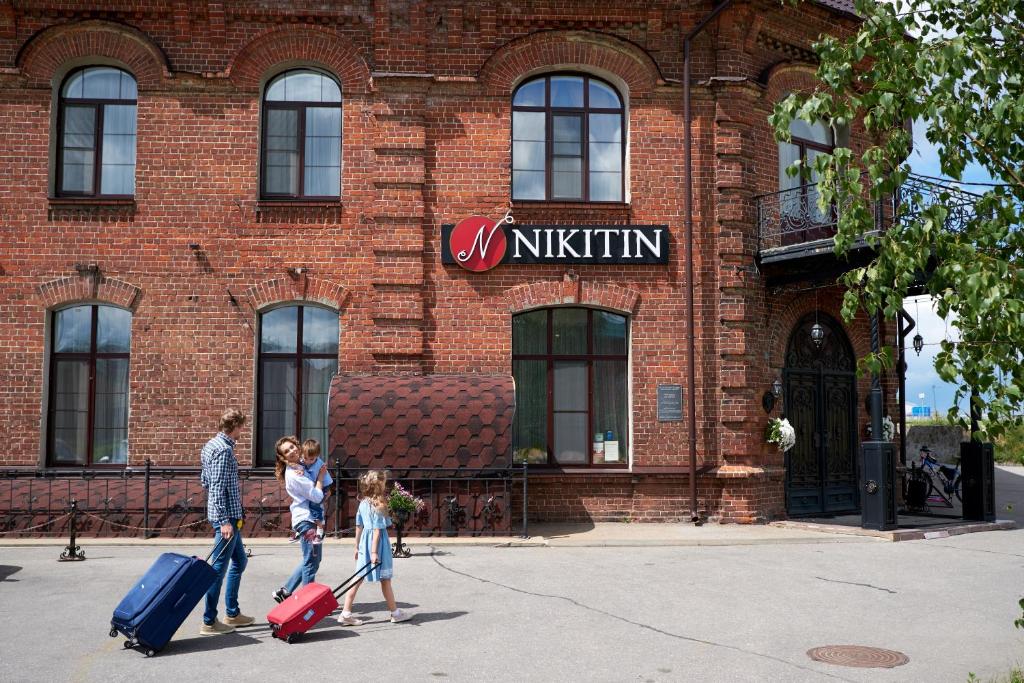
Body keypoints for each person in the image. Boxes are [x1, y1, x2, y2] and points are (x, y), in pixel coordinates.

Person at [198, 408, 254, 635]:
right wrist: (224, 521)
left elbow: (205, 480)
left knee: (240, 561)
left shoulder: (210, 445)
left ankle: (232, 614)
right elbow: (218, 488)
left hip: (230, 515)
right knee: (218, 569)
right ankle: (209, 621)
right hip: (226, 518)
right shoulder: (223, 451)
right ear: (235, 427)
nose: (243, 431)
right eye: (242, 427)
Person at [337, 470, 413, 625]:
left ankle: (345, 613)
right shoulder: (379, 505)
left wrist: (357, 546)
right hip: (377, 546)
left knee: (357, 577)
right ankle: (395, 613)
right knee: (385, 580)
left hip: (365, 542)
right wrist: (373, 552)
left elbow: (359, 526)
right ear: (380, 486)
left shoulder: (363, 503)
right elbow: (378, 531)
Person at [272, 435, 327, 603]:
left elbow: (313, 459)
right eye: (287, 451)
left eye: (292, 447)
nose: (292, 451)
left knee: (311, 559)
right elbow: (317, 497)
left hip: (308, 519)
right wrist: (320, 478)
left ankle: (285, 591)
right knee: (311, 562)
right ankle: (307, 602)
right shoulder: (295, 475)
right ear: (283, 457)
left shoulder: (300, 465)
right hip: (306, 520)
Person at [301, 438, 332, 543]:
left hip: (323, 487)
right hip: (312, 487)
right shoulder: (302, 462)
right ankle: (301, 528)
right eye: (305, 458)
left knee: (314, 504)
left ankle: (320, 529)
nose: (308, 461)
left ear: (317, 456)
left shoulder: (319, 464)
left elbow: (323, 479)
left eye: (311, 459)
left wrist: (328, 490)